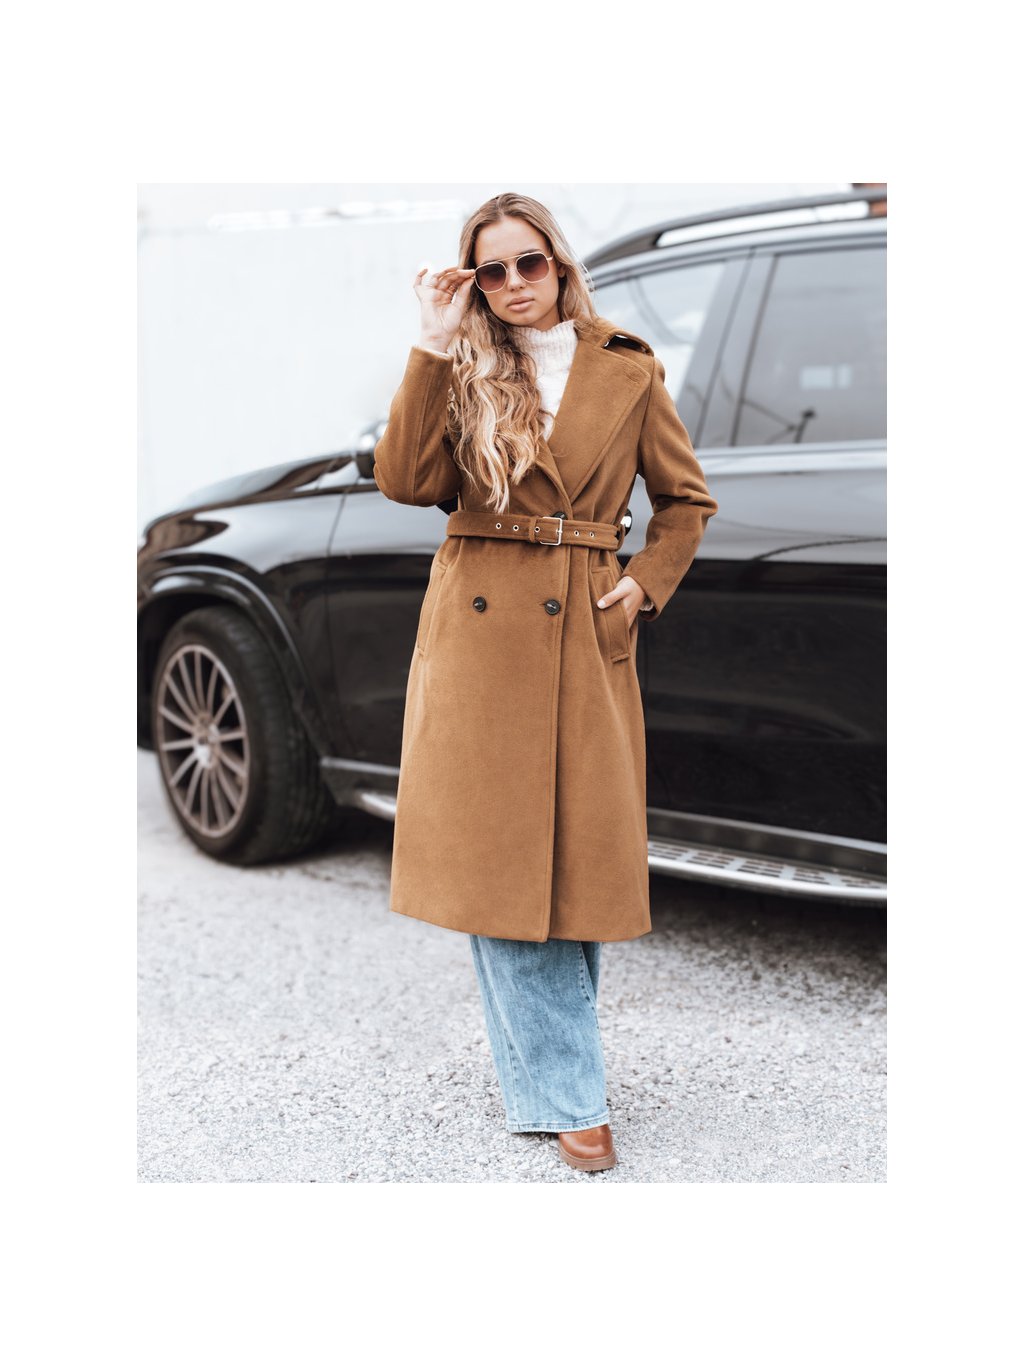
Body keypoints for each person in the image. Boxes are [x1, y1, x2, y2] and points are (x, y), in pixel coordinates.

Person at [372, 193, 718, 1173]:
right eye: (492, 271)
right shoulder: (460, 366)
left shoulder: (627, 366)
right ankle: (572, 1098)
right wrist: (432, 340)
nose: (515, 284)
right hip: (479, 635)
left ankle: (550, 1087)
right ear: (473, 283)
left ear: (560, 265)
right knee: (503, 865)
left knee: (573, 866)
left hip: (585, 625)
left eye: (530, 263)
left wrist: (641, 586)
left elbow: (686, 502)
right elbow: (405, 480)